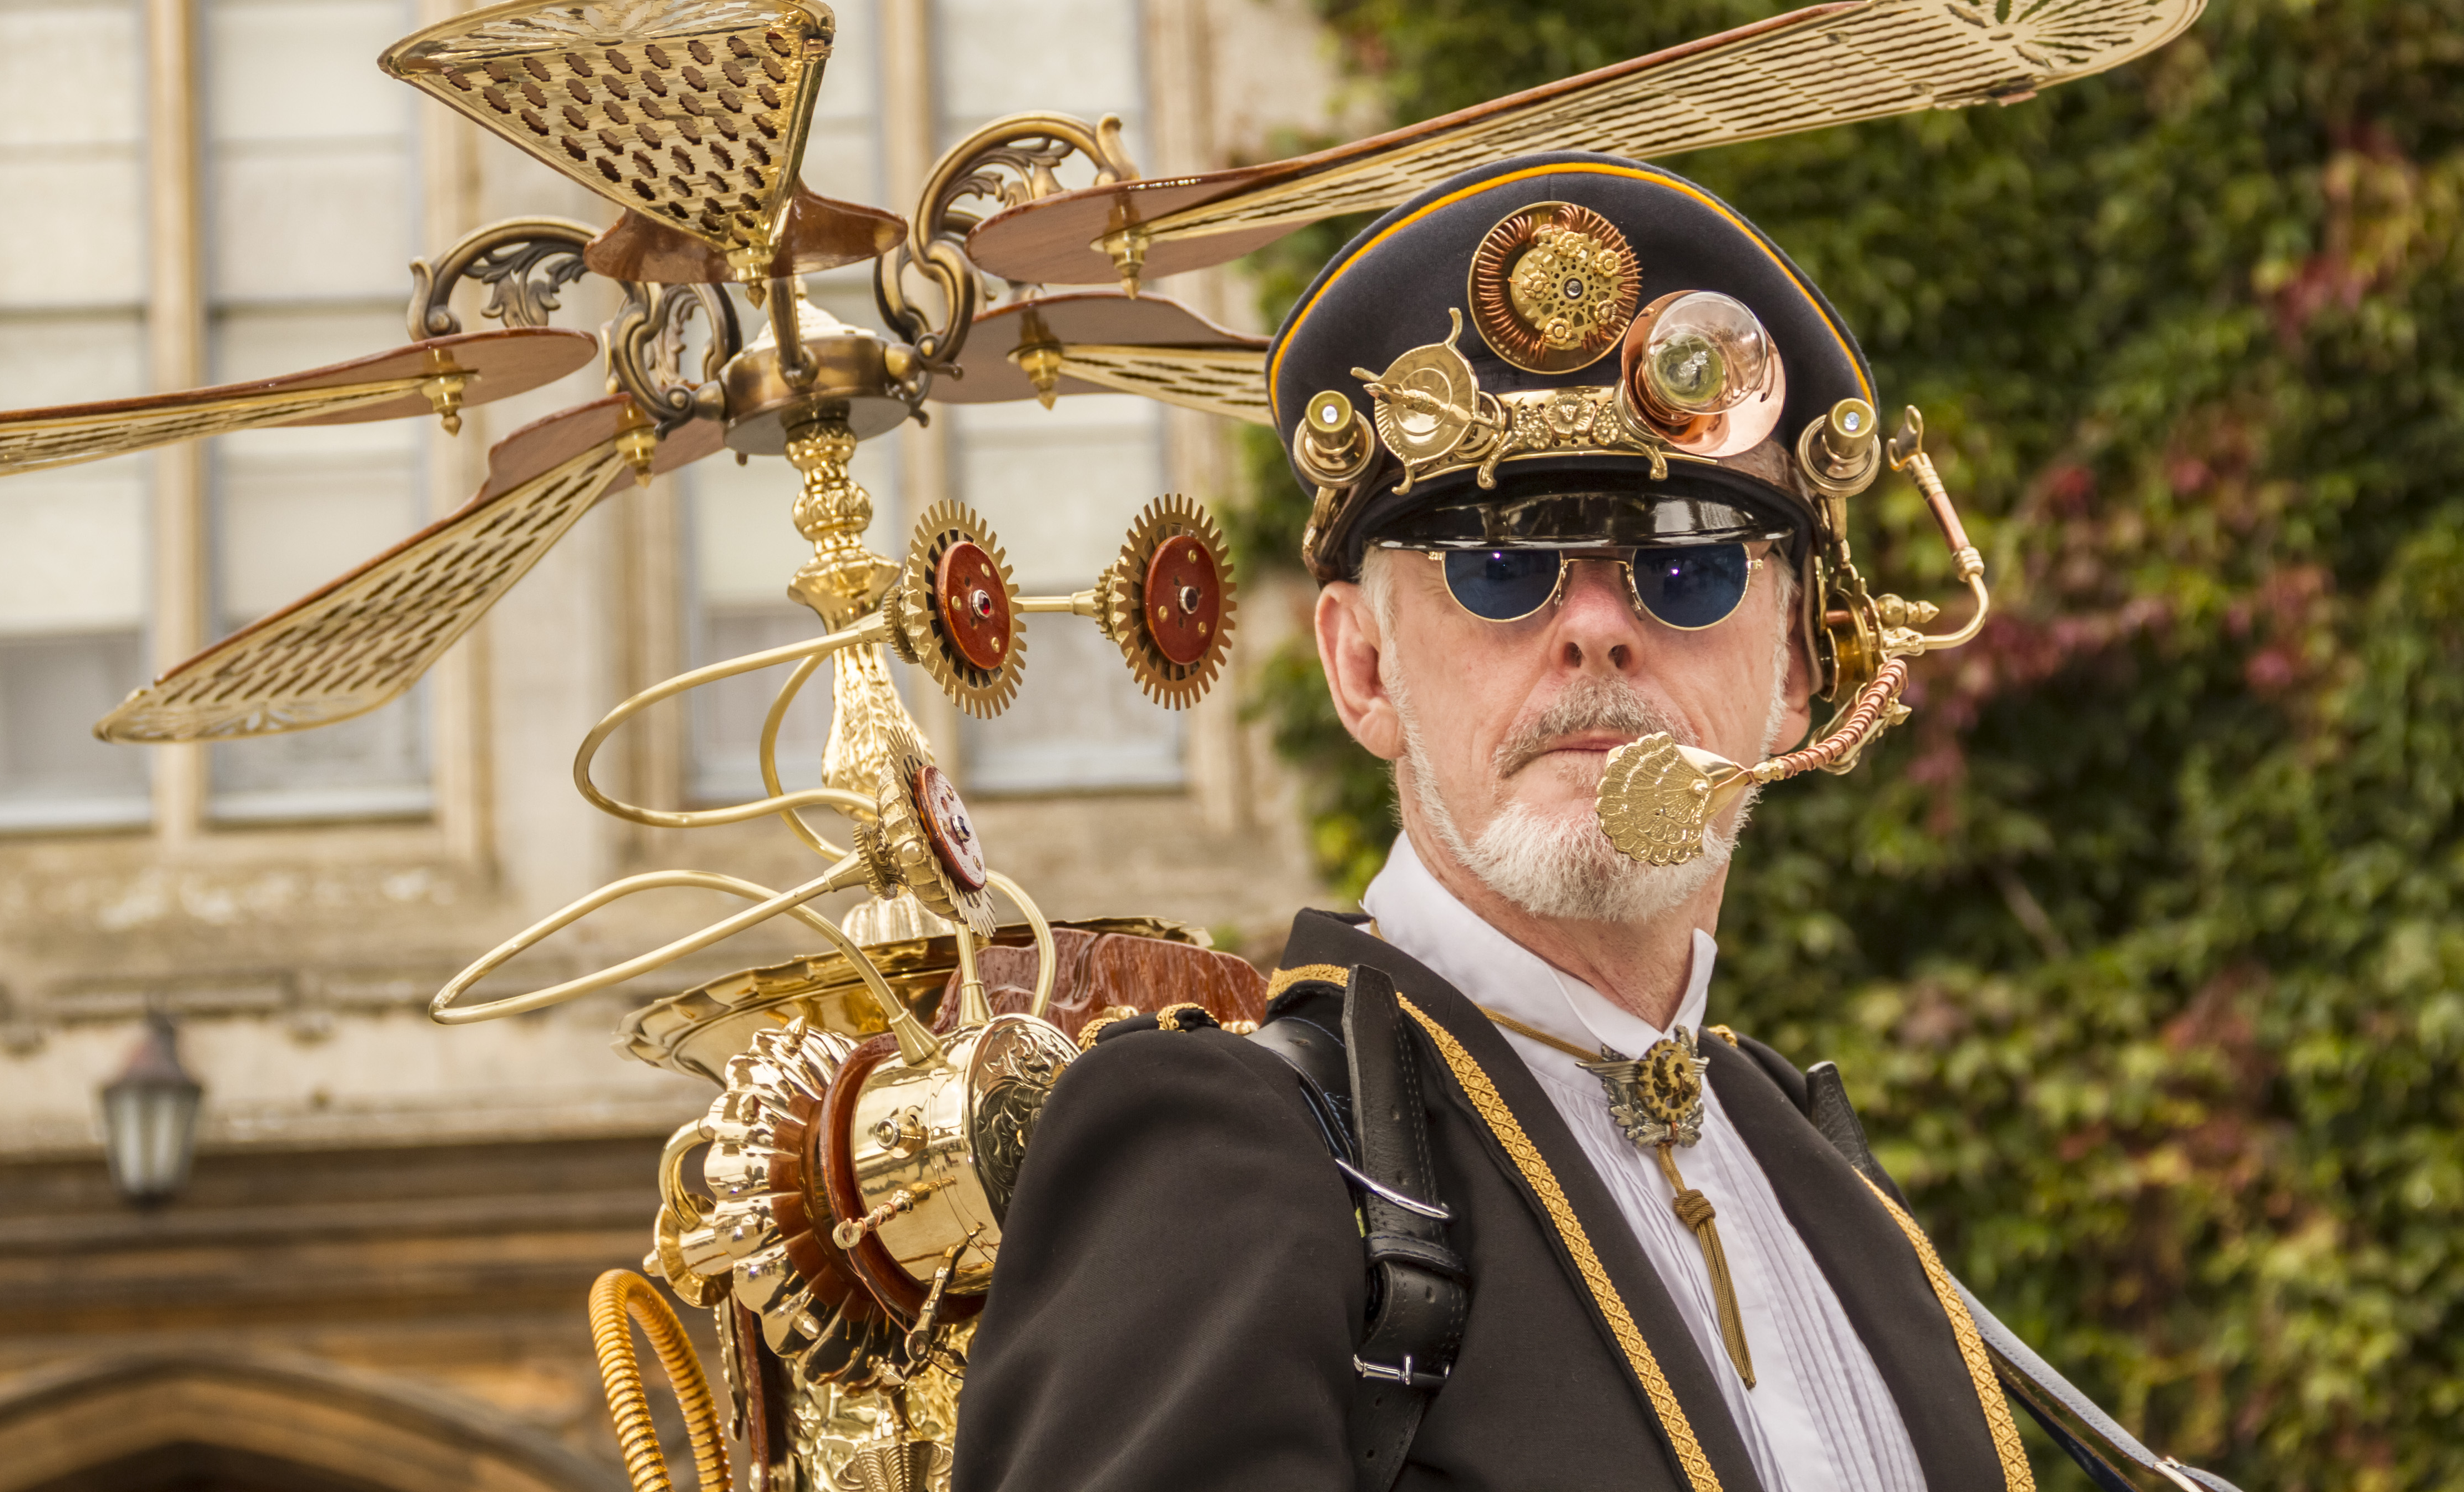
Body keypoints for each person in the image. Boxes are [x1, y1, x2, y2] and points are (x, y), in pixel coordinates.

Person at [952, 153, 2234, 1492]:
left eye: (1683, 569)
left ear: (1797, 669)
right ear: (1364, 671)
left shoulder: (1804, 1151)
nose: (1597, 630)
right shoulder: (1218, 1145)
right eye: (1498, 568)